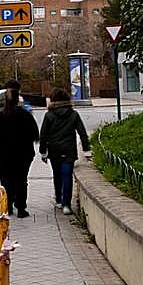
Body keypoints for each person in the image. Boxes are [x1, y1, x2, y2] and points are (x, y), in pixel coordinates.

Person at [0, 80, 39, 218]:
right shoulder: (25, 115)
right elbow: (34, 134)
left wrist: (2, 145)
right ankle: (21, 208)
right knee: (21, 179)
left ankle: (7, 206)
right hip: (23, 153)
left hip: (4, 154)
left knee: (6, 180)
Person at [39, 87, 92, 215]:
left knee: (57, 175)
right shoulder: (73, 114)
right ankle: (67, 205)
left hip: (54, 150)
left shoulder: (49, 115)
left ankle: (58, 199)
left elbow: (43, 135)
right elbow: (82, 133)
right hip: (69, 150)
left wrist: (43, 152)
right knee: (67, 175)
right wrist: (86, 150)